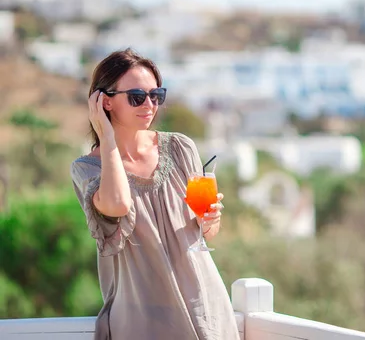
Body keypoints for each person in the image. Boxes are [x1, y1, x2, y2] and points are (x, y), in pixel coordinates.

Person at [70, 48, 240, 340]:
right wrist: (108, 137)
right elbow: (118, 204)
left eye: (156, 95)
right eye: (137, 96)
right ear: (105, 101)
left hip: (204, 310)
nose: (149, 104)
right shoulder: (87, 169)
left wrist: (210, 219)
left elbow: (204, 232)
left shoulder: (181, 148)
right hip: (142, 320)